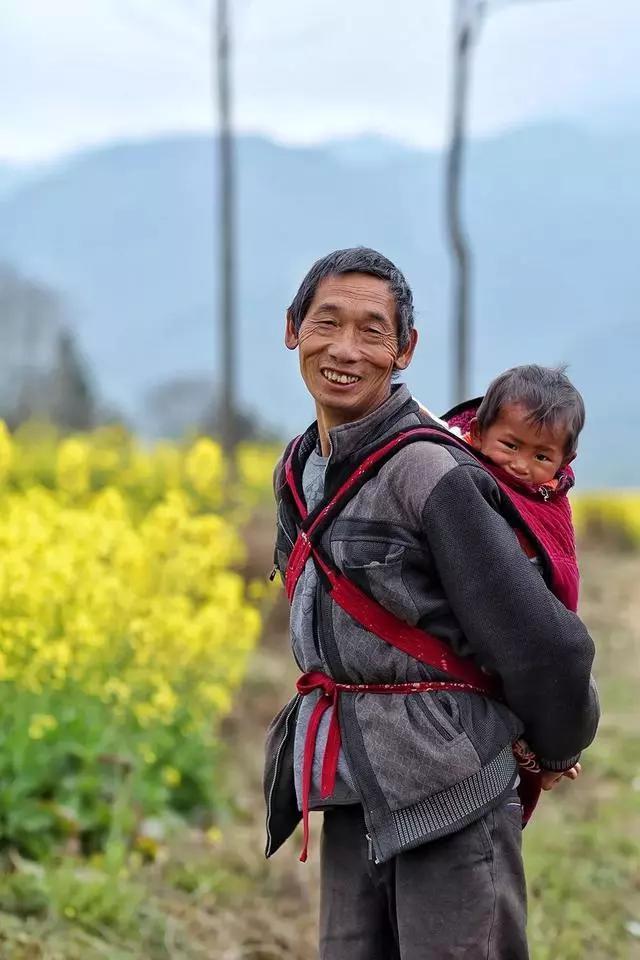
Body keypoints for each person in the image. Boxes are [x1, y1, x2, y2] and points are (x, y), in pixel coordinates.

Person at [264, 247, 599, 959]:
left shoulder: (431, 472)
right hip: (355, 777)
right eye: (327, 323)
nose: (345, 349)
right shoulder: (300, 467)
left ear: (405, 349)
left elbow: (551, 647)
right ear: (293, 330)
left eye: (372, 331)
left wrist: (554, 745)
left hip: (451, 781)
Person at [445, 364, 588, 793]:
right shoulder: (456, 476)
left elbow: (558, 576)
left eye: (542, 456)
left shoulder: (549, 501)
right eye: (510, 445)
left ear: (566, 461)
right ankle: (541, 751)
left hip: (533, 639)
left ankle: (546, 750)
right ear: (478, 431)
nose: (522, 466)